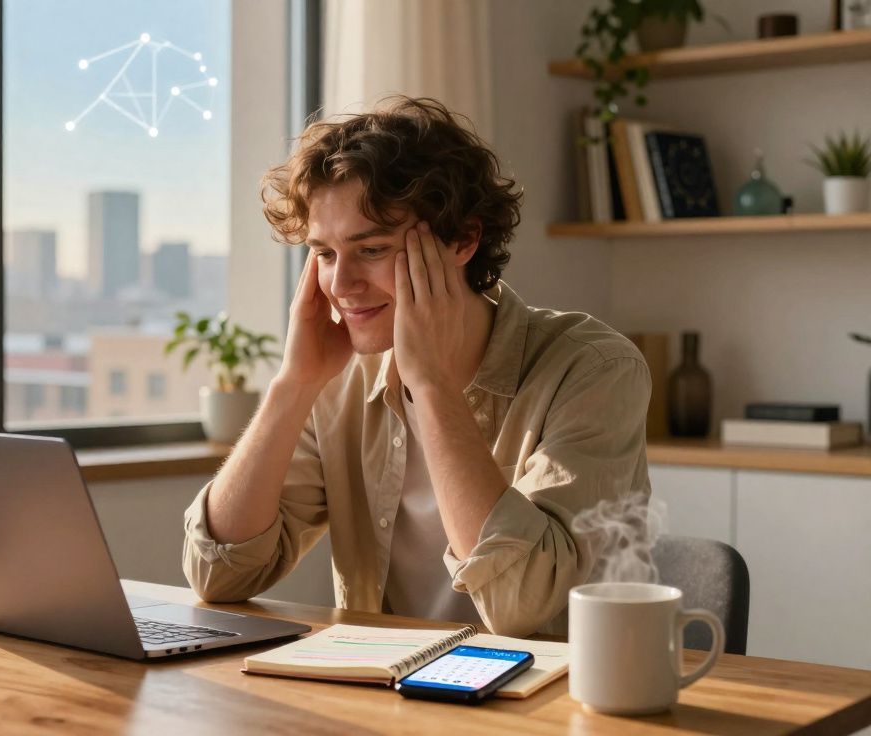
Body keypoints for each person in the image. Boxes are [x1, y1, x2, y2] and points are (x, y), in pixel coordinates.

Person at [181, 96, 651, 637]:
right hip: (381, 700)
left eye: (372, 249)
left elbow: (522, 607)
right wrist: (295, 384)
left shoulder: (593, 369)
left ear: (463, 240)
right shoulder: (340, 379)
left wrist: (432, 386)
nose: (340, 285)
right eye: (326, 254)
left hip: (542, 709)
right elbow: (218, 575)